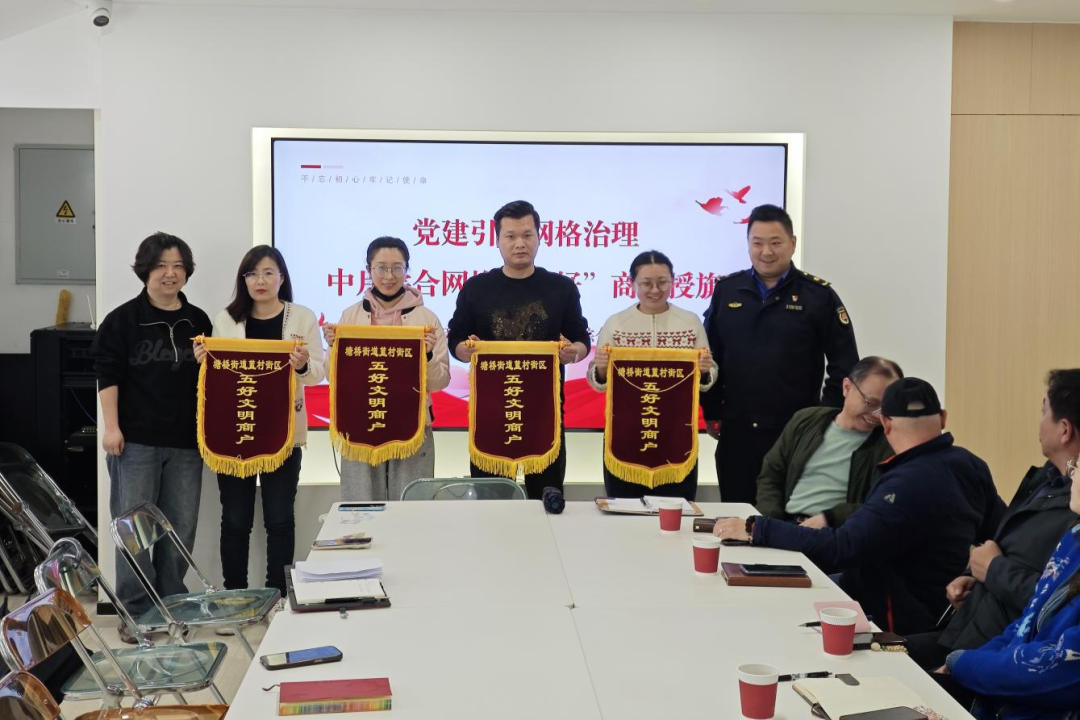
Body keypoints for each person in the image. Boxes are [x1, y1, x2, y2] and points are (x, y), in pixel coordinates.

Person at [714, 378, 1004, 635]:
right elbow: (1002, 532)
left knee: (766, 606)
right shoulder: (970, 465)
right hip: (935, 605)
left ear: (885, 423)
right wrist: (970, 575)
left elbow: (842, 546)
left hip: (891, 619)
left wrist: (758, 528)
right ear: (942, 418)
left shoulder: (904, 483)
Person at [907, 369, 1080, 673]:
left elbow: (1056, 603)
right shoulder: (1048, 479)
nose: (1039, 423)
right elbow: (1009, 544)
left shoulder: (1074, 510)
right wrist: (974, 575)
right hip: (969, 631)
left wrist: (994, 570)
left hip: (1000, 655)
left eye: (1044, 412)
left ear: (1064, 429)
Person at [91, 232, 212, 644]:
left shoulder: (198, 321)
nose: (170, 273)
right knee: (134, 530)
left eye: (178, 266)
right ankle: (135, 611)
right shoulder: (123, 320)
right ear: (145, 270)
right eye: (161, 266)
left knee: (180, 528)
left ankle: (172, 603)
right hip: (136, 442)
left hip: (187, 443)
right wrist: (111, 427)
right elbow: (108, 375)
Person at [702, 204, 859, 504]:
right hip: (737, 431)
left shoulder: (818, 296)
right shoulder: (727, 290)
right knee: (737, 513)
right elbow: (710, 356)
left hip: (795, 432)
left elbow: (845, 364)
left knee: (791, 517)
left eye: (775, 242)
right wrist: (711, 410)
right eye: (757, 243)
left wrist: (824, 418)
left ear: (792, 243)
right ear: (748, 244)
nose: (766, 252)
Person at [194, 245, 325, 598]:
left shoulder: (302, 318)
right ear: (244, 280)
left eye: (268, 273)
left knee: (279, 519)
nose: (260, 280)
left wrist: (302, 365)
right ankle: (234, 595)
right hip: (235, 432)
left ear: (282, 278)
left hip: (283, 434)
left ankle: (277, 595)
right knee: (235, 520)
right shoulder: (225, 320)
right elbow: (218, 377)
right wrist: (204, 360)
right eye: (252, 274)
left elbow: (318, 372)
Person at [446, 200, 590, 498]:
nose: (520, 244)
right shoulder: (476, 288)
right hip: (492, 411)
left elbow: (580, 340)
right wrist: (464, 350)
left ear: (540, 236)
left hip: (545, 412)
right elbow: (455, 338)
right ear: (497, 240)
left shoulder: (561, 288)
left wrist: (573, 352)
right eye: (510, 236)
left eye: (527, 235)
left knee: (547, 500)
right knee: (491, 502)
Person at [942, 458, 1080, 719]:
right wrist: (964, 662)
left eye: (1079, 466)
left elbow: (1060, 669)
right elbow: (1024, 624)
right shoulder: (1073, 539)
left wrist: (963, 664)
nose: (1071, 474)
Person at [322, 236, 451, 501]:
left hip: (412, 425)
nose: (389, 276)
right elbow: (332, 376)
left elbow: (440, 382)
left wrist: (427, 355)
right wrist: (334, 347)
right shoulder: (351, 316)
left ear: (407, 270)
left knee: (412, 504)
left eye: (397, 268)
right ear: (368, 270)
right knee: (361, 507)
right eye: (381, 268)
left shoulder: (426, 319)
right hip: (360, 423)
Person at [586, 250, 717, 500]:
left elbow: (708, 377)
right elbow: (598, 382)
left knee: (676, 510)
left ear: (673, 281)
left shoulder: (690, 322)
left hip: (676, 434)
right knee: (624, 509)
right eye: (646, 283)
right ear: (632, 283)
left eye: (662, 282)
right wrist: (601, 368)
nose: (655, 290)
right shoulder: (616, 323)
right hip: (626, 433)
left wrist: (704, 370)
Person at [755, 356, 903, 528]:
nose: (877, 414)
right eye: (871, 403)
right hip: (785, 523)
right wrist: (770, 520)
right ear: (847, 388)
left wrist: (831, 518)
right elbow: (772, 475)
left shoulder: (891, 445)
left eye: (886, 407)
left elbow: (884, 503)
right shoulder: (805, 420)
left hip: (837, 533)